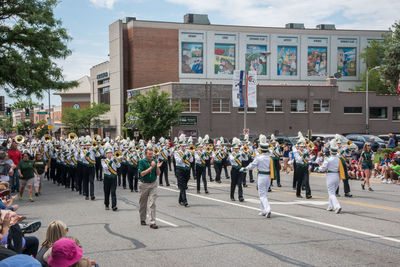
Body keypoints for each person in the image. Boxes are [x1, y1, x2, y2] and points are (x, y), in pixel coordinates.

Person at [242, 134, 272, 218]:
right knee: (265, 193)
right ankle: (263, 210)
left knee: (262, 194)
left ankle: (268, 209)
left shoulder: (259, 157)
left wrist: (245, 168)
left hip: (262, 176)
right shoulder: (270, 157)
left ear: (261, 150)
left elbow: (252, 165)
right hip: (268, 176)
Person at [138, 147, 162, 229]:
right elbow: (142, 174)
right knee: (143, 203)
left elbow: (158, 174)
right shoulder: (141, 162)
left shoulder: (155, 161)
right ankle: (142, 218)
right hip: (144, 184)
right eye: (149, 154)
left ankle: (153, 222)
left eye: (152, 154)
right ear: (145, 155)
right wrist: (151, 167)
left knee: (152, 203)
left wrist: (157, 167)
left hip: (153, 184)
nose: (151, 156)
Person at [319, 140, 343, 214]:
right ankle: (330, 206)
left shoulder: (328, 159)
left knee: (331, 193)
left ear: (330, 152)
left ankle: (337, 206)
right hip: (338, 176)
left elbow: (322, 169)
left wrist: (319, 166)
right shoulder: (339, 159)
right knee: (333, 192)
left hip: (330, 176)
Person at [174, 134, 193, 207]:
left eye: (184, 146)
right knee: (182, 186)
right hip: (180, 170)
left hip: (187, 170)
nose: (184, 147)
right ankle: (185, 201)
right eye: (182, 146)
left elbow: (191, 160)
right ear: (180, 146)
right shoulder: (177, 153)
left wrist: (189, 155)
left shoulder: (187, 152)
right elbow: (179, 161)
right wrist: (185, 156)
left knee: (184, 186)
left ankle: (180, 199)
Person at [101, 145, 120, 211]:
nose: (110, 154)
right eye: (108, 153)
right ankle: (106, 204)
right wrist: (111, 161)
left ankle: (114, 206)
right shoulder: (103, 160)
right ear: (106, 154)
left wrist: (116, 161)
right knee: (107, 192)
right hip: (107, 178)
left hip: (114, 178)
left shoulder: (114, 159)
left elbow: (119, 166)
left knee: (113, 192)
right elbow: (105, 167)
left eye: (110, 153)